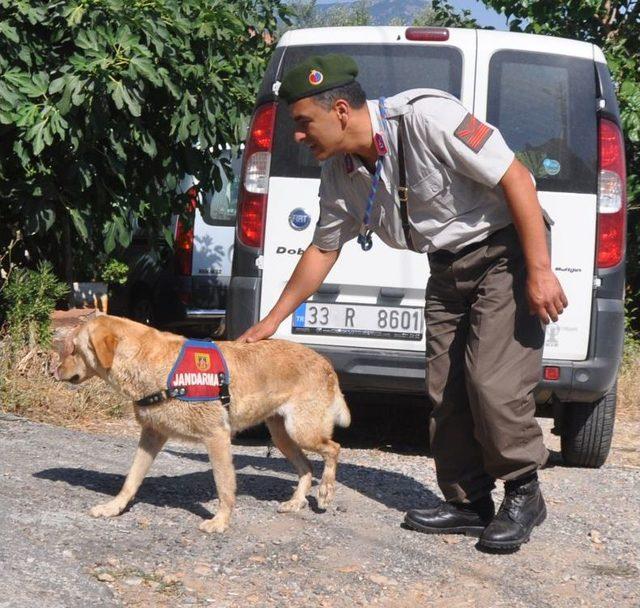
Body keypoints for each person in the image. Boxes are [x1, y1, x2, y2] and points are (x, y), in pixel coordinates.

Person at [237, 54, 568, 551]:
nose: (298, 137)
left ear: (342, 110)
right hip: (446, 265)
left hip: (507, 253)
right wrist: (271, 321)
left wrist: (540, 271)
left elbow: (516, 178)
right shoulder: (341, 173)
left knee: (492, 382)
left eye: (304, 124)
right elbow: (324, 247)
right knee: (445, 388)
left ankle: (524, 492)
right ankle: (467, 501)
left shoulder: (426, 118)